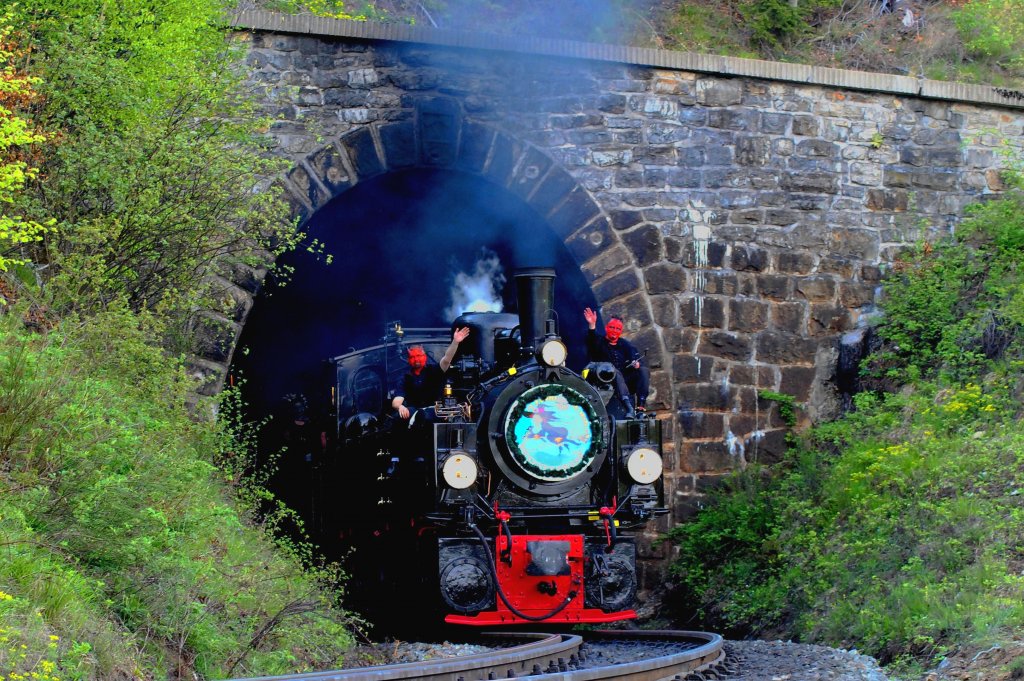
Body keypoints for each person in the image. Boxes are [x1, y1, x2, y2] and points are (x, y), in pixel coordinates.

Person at [392, 326, 470, 421]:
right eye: (413, 357)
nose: (417, 360)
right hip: (414, 412)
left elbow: (447, 359)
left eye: (419, 356)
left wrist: (455, 342)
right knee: (399, 417)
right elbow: (397, 400)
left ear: (424, 356)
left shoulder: (434, 370)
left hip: (435, 410)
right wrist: (400, 407)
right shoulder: (405, 377)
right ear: (409, 359)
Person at [584, 307, 650, 412]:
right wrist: (592, 325)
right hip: (603, 380)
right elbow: (591, 340)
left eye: (618, 329)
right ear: (606, 328)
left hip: (625, 382)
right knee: (614, 371)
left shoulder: (626, 345)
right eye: (612, 328)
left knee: (643, 370)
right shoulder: (599, 342)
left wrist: (637, 364)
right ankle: (627, 406)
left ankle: (641, 405)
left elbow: (636, 359)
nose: (615, 331)